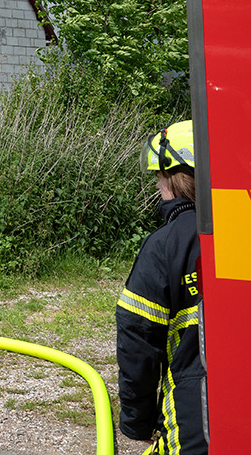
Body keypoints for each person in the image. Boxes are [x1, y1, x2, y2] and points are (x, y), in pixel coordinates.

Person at [117, 121, 205, 455]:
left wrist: (137, 422)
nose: (157, 184)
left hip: (196, 420)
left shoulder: (166, 245)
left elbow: (137, 339)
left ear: (175, 177)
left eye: (159, 175)